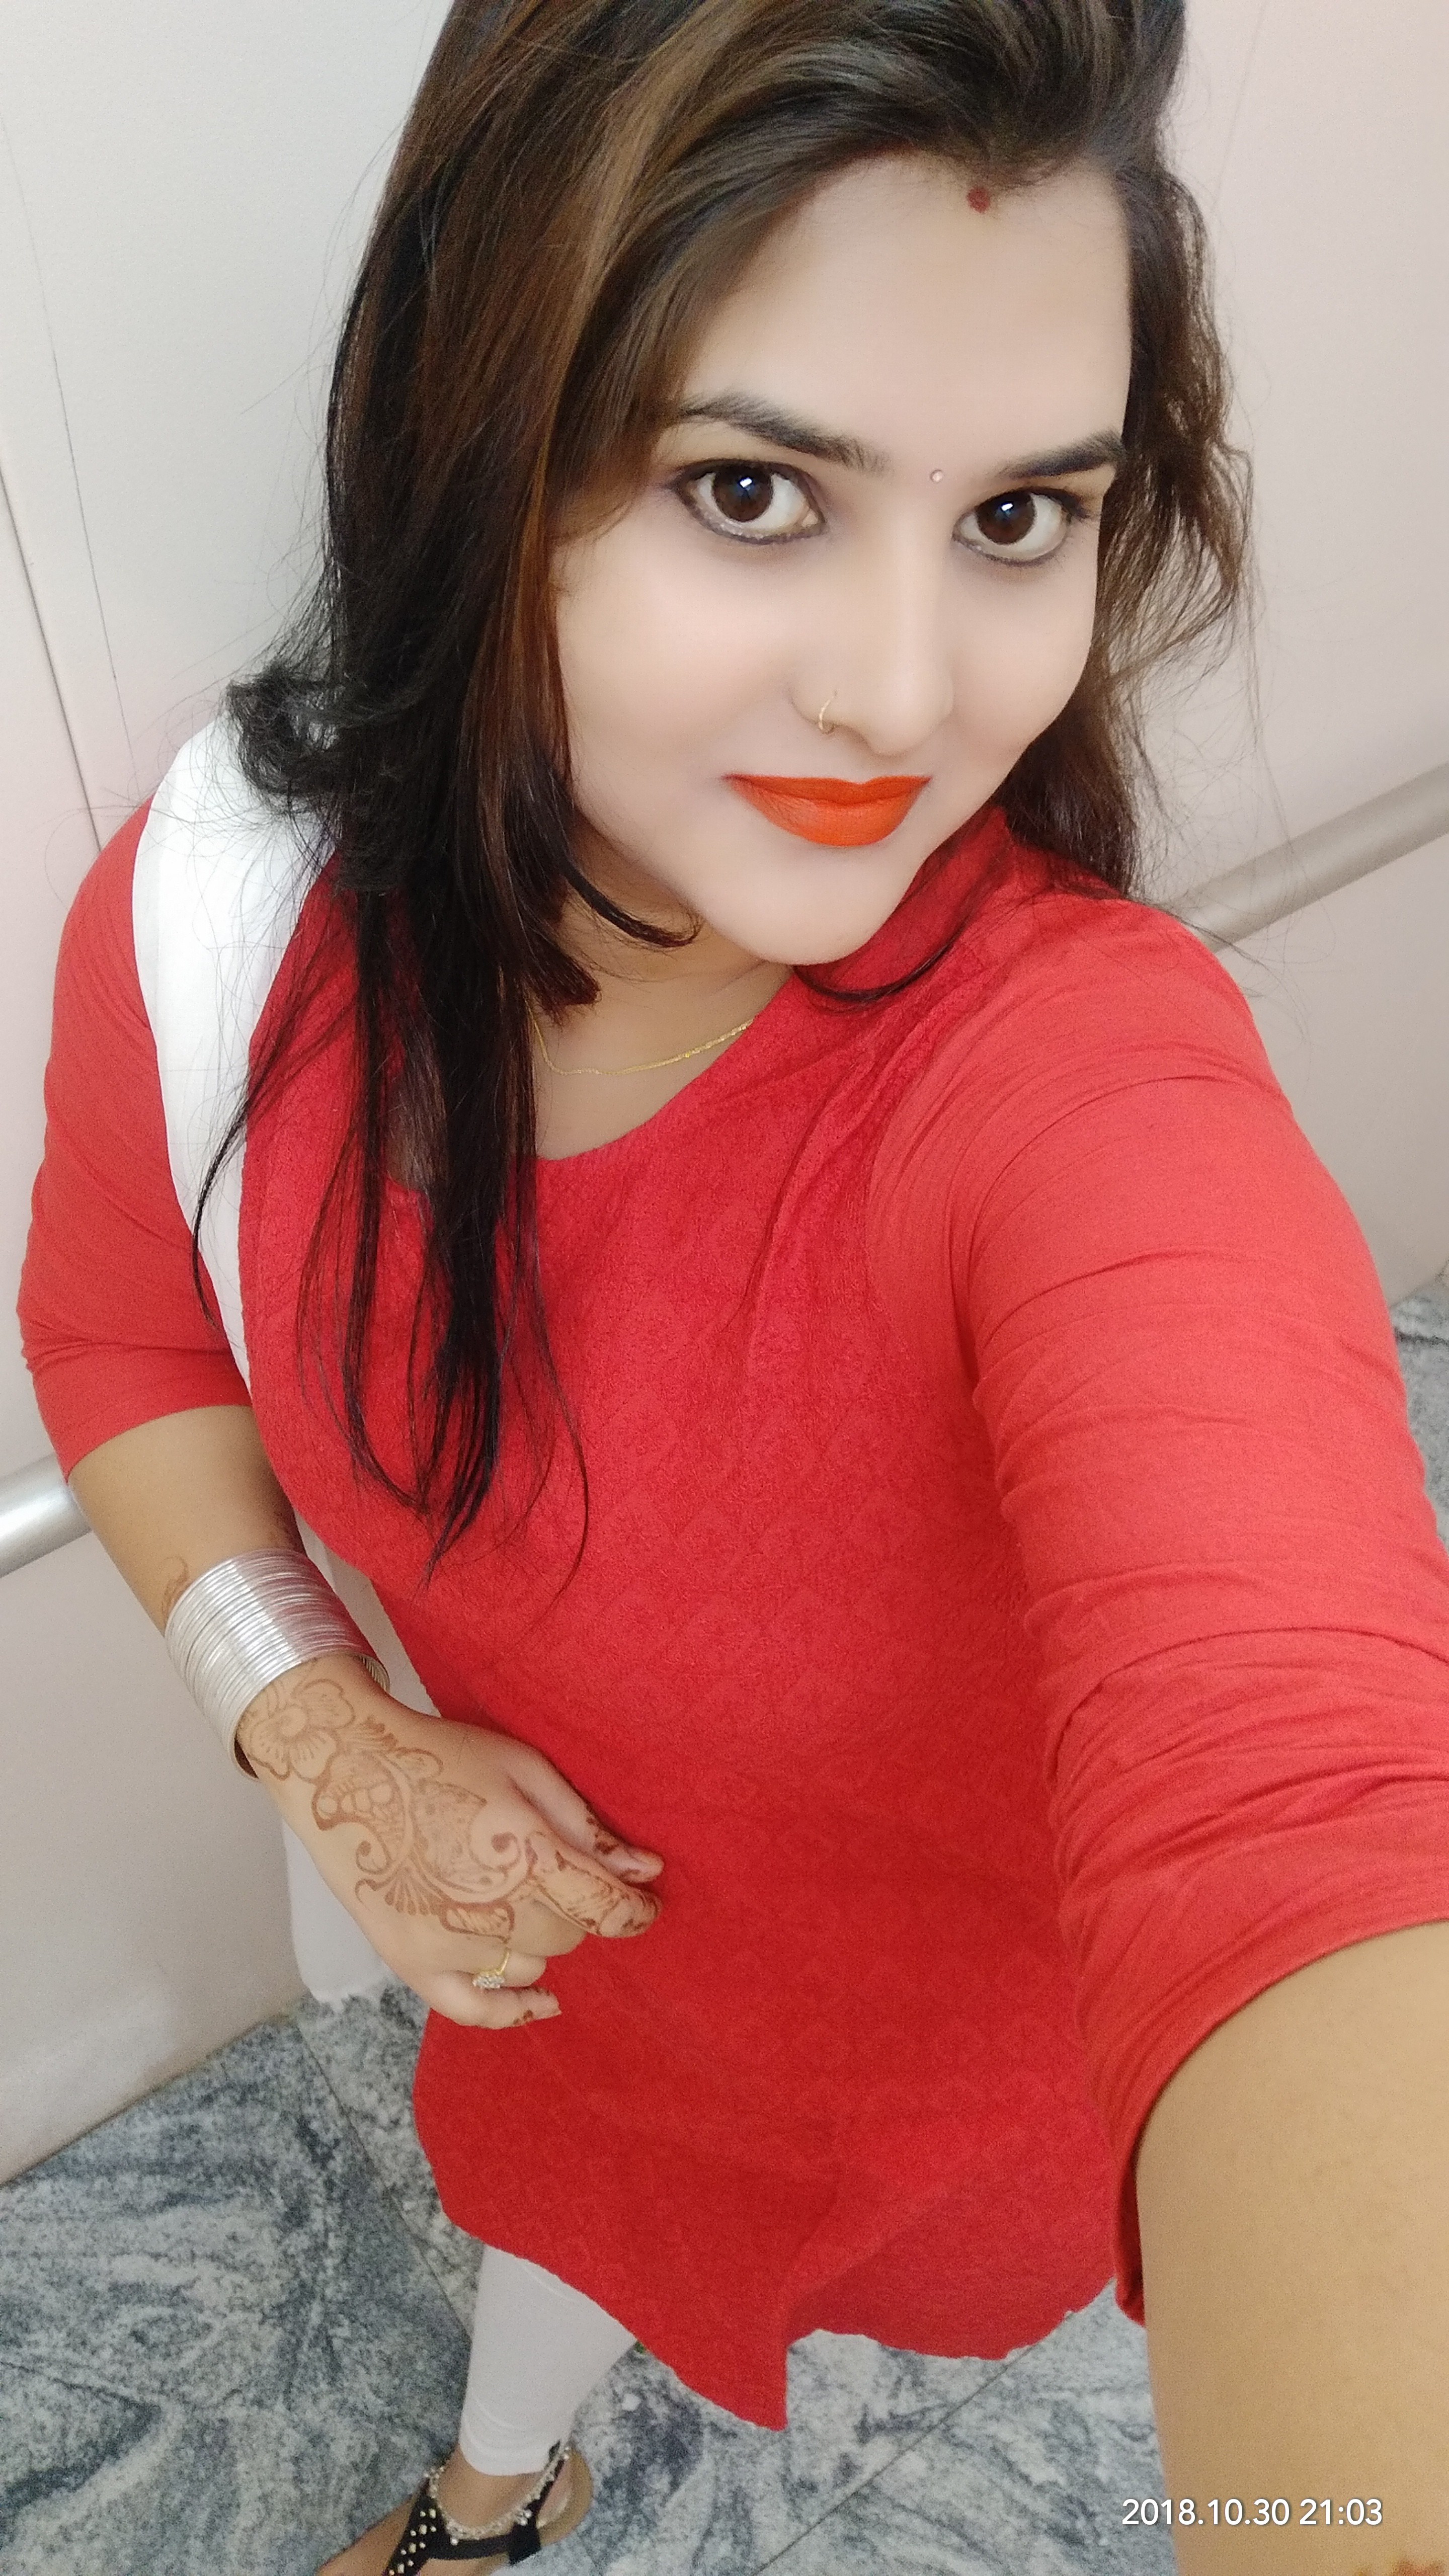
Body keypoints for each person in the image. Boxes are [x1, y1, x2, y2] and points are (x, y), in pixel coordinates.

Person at [18, 1, 1449, 2568]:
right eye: (755, 488)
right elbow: (121, 1331)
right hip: (580, 1994)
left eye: (1020, 517)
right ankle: (497, 2495)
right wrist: (320, 1720)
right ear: (480, 434)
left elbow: (1308, 1797)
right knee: (567, 2233)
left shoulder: (1077, 1079)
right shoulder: (229, 921)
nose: (906, 692)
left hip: (929, 2050)